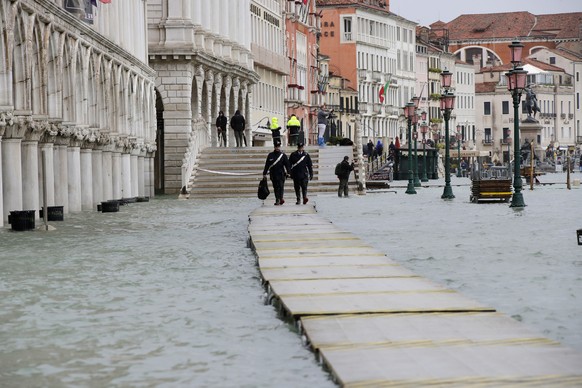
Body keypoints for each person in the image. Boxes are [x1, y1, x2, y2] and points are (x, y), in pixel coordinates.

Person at [262, 139, 290, 206]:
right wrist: (264, 173)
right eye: (276, 146)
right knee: (275, 187)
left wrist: (289, 172)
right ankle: (277, 199)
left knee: (281, 186)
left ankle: (281, 198)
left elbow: (287, 164)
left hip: (281, 174)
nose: (277, 148)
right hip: (273, 174)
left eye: (278, 146)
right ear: (274, 147)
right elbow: (267, 165)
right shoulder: (270, 155)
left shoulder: (283, 155)